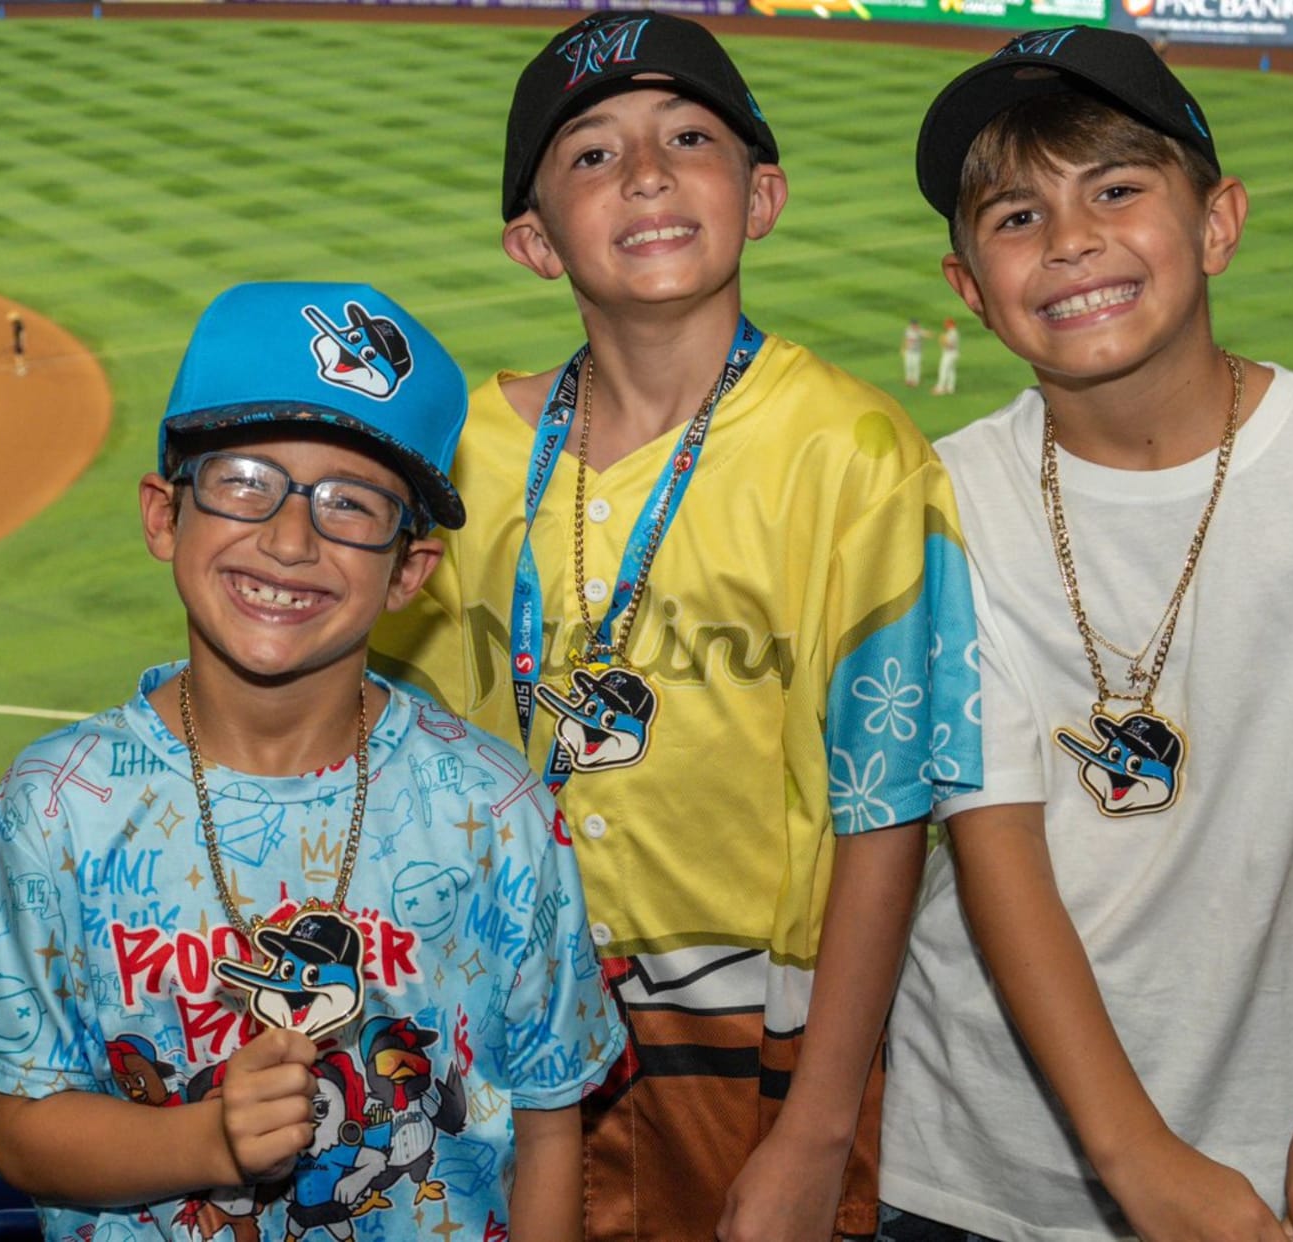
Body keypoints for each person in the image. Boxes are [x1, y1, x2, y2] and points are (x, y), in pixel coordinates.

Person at [370, 14, 983, 1240]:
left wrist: (817, 1130)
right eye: (593, 154)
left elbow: (889, 812)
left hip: (753, 1050)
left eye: (689, 138)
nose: (646, 173)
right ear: (535, 240)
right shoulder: (451, 460)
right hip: (485, 1036)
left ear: (762, 196)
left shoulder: (857, 456)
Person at [880, 27, 1293, 1242]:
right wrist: (1142, 1162)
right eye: (1017, 217)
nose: (1070, 240)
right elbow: (997, 844)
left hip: (1289, 1151)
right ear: (969, 287)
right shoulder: (939, 500)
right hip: (972, 1169)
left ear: (1218, 223)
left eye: (1117, 190)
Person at [0, 281, 624, 1241]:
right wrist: (211, 1142)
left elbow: (550, 1132)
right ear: (164, 515)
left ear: (409, 571)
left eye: (353, 503)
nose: (288, 539)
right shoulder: (60, 804)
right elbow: (25, 1133)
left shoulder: (500, 813)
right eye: (243, 481)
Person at [933, 318, 960, 395]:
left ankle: (940, 388)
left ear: (951, 324)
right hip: (953, 354)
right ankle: (950, 388)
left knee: (943, 370)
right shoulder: (953, 332)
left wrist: (942, 340)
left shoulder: (952, 333)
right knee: (951, 371)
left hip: (949, 354)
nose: (945, 325)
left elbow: (950, 345)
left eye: (946, 324)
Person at [903, 317, 926, 388]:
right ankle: (908, 379)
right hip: (908, 351)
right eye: (912, 324)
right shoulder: (908, 330)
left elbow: (928, 335)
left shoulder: (919, 331)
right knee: (908, 365)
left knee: (916, 366)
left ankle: (916, 380)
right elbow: (906, 339)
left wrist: (920, 332)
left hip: (917, 352)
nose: (913, 325)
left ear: (916, 324)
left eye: (914, 324)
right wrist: (903, 348)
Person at [9, 310, 28, 377]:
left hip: (19, 342)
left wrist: (22, 343)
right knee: (17, 355)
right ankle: (20, 368)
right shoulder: (16, 324)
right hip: (18, 342)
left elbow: (22, 334)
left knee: (19, 356)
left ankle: (21, 370)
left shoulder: (19, 325)